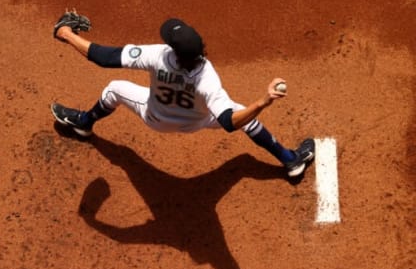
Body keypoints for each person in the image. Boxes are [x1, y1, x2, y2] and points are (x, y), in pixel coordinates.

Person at [51, 16, 315, 177]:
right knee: (243, 114)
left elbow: (104, 57)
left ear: (174, 51)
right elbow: (227, 122)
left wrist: (66, 34)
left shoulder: (159, 55)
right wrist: (263, 101)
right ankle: (290, 161)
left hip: (155, 117)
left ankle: (84, 123)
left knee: (114, 88)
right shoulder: (207, 76)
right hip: (199, 120)